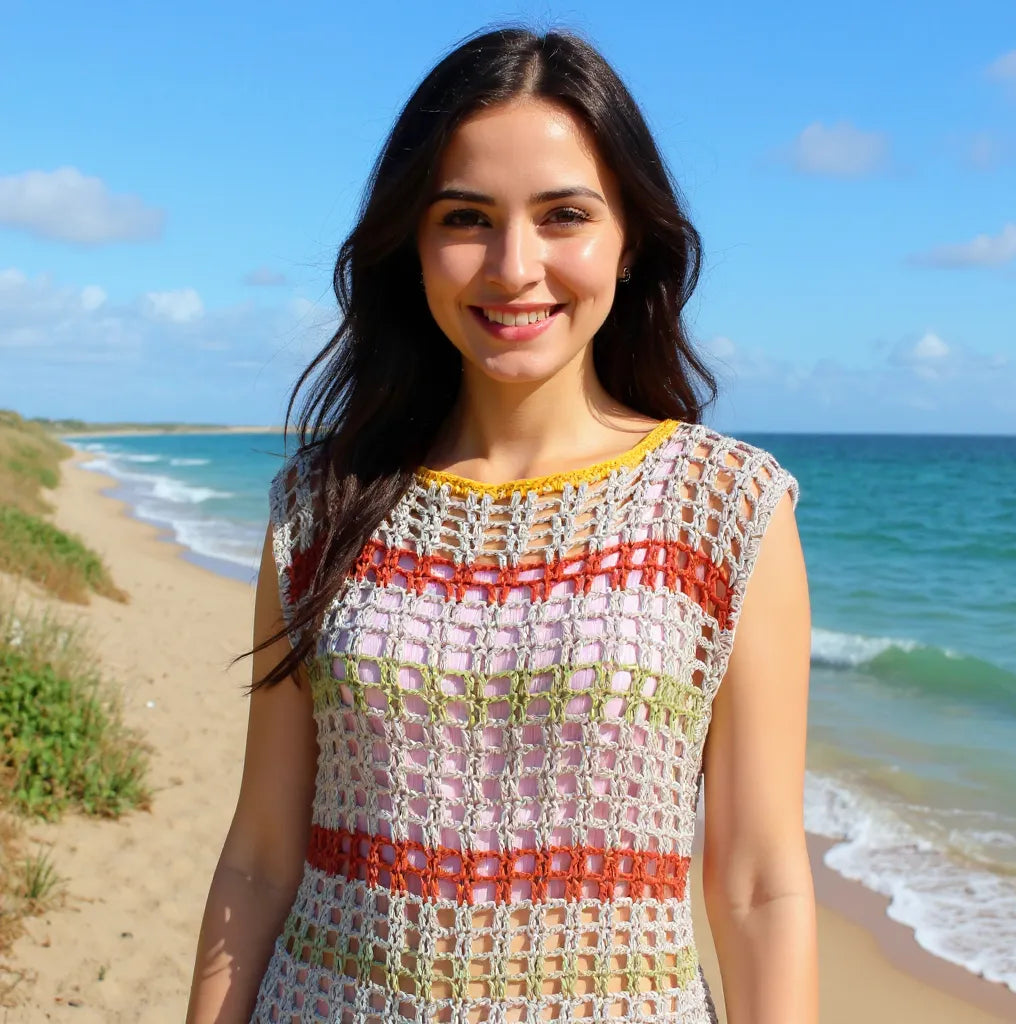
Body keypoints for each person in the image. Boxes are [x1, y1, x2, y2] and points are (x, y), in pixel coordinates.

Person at [186, 24, 816, 1024]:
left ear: (630, 238)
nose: (514, 265)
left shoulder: (725, 508)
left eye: (564, 214)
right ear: (414, 243)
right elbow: (261, 858)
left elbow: (757, 885)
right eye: (467, 217)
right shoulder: (321, 506)